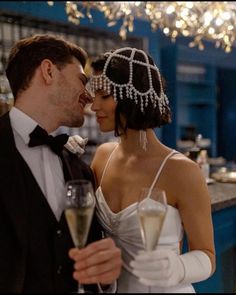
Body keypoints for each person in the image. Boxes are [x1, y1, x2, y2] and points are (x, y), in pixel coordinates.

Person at [83, 47, 216, 293]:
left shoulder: (182, 171)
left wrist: (176, 267)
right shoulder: (102, 157)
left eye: (103, 96)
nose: (93, 107)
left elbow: (207, 257)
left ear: (129, 95)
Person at [0, 34, 122, 293]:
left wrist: (106, 278)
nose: (89, 97)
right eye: (82, 80)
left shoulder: (81, 171)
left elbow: (91, 270)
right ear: (48, 71)